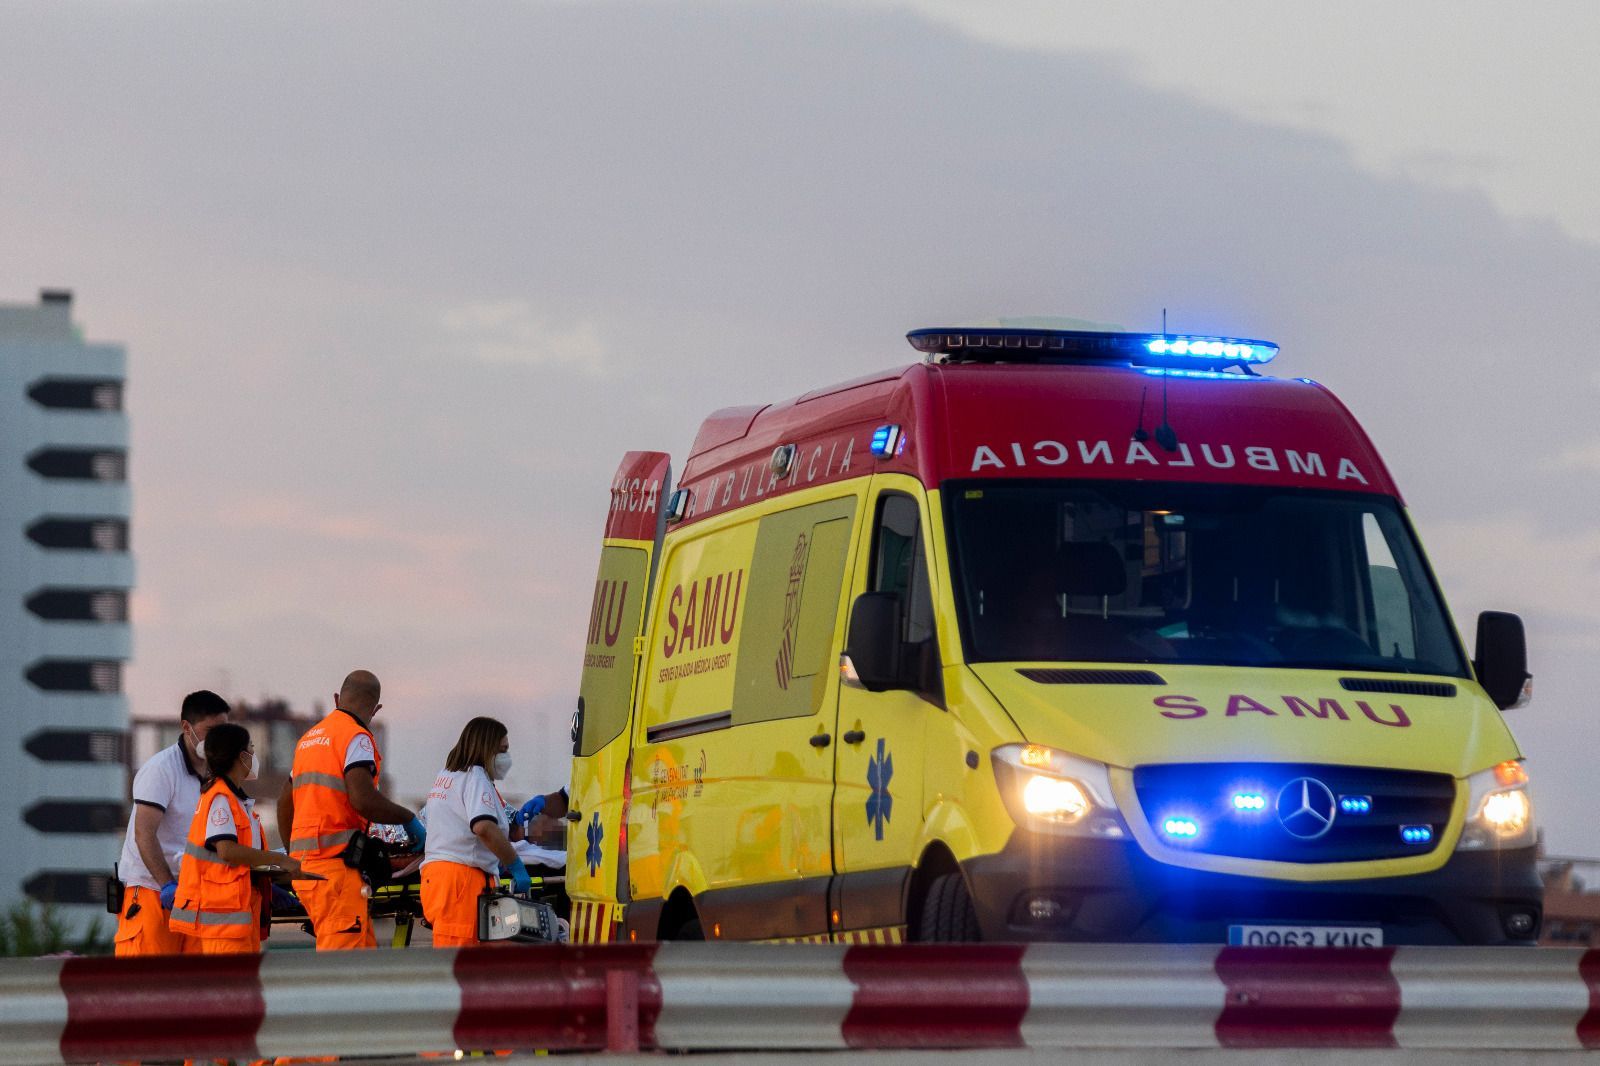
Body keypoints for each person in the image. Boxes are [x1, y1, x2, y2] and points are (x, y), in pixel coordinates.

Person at [278, 669, 424, 950]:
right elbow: (363, 800)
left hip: (309, 872)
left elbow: (285, 803)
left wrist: (296, 860)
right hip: (336, 875)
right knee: (342, 977)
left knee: (363, 967)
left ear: (336, 698)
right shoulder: (356, 737)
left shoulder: (310, 739)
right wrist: (409, 819)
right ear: (375, 709)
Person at [170, 723, 322, 953]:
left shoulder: (235, 800)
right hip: (224, 923)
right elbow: (227, 852)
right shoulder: (220, 799)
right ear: (241, 757)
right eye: (251, 748)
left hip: (239, 918)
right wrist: (281, 861)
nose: (254, 755)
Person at [112, 690, 232, 956]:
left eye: (224, 730)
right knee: (147, 985)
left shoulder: (219, 773)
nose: (219, 739)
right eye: (211, 730)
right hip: (152, 891)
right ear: (186, 727)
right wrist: (167, 884)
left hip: (195, 894)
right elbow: (144, 834)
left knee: (194, 988)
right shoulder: (161, 770)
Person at [419, 717, 533, 947]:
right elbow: (483, 827)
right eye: (502, 750)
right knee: (458, 967)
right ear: (486, 748)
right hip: (461, 883)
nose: (505, 758)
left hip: (442, 880)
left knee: (465, 965)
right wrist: (514, 864)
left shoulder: (447, 776)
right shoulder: (475, 777)